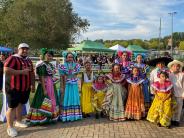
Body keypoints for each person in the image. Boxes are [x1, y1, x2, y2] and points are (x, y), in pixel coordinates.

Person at [3, 43, 35, 137]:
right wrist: (21, 72)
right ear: (18, 49)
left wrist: (33, 85)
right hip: (13, 88)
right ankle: (10, 127)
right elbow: (6, 69)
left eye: (26, 49)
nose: (25, 50)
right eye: (23, 49)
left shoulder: (28, 60)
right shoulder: (13, 58)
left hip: (25, 88)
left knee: (21, 104)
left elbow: (32, 73)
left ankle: (18, 121)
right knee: (12, 107)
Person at [27, 48, 60, 125]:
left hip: (51, 84)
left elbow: (54, 74)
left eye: (51, 56)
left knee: (51, 99)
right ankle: (41, 118)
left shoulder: (50, 64)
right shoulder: (41, 65)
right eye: (48, 56)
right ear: (44, 56)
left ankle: (50, 117)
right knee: (43, 100)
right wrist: (44, 89)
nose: (50, 57)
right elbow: (41, 77)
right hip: (44, 84)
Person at [58, 51, 82, 122]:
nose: (70, 58)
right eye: (69, 57)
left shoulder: (77, 65)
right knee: (66, 98)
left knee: (74, 97)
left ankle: (75, 115)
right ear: (66, 57)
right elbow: (61, 77)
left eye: (71, 57)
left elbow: (76, 75)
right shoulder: (62, 66)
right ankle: (66, 115)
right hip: (66, 84)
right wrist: (62, 87)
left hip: (74, 84)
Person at [168, 60, 184, 126]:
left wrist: (183, 94)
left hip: (180, 94)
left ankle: (177, 120)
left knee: (179, 107)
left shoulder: (182, 75)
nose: (176, 67)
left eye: (177, 66)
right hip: (171, 94)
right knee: (172, 107)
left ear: (179, 67)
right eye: (174, 66)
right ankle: (172, 119)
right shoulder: (169, 75)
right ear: (171, 67)